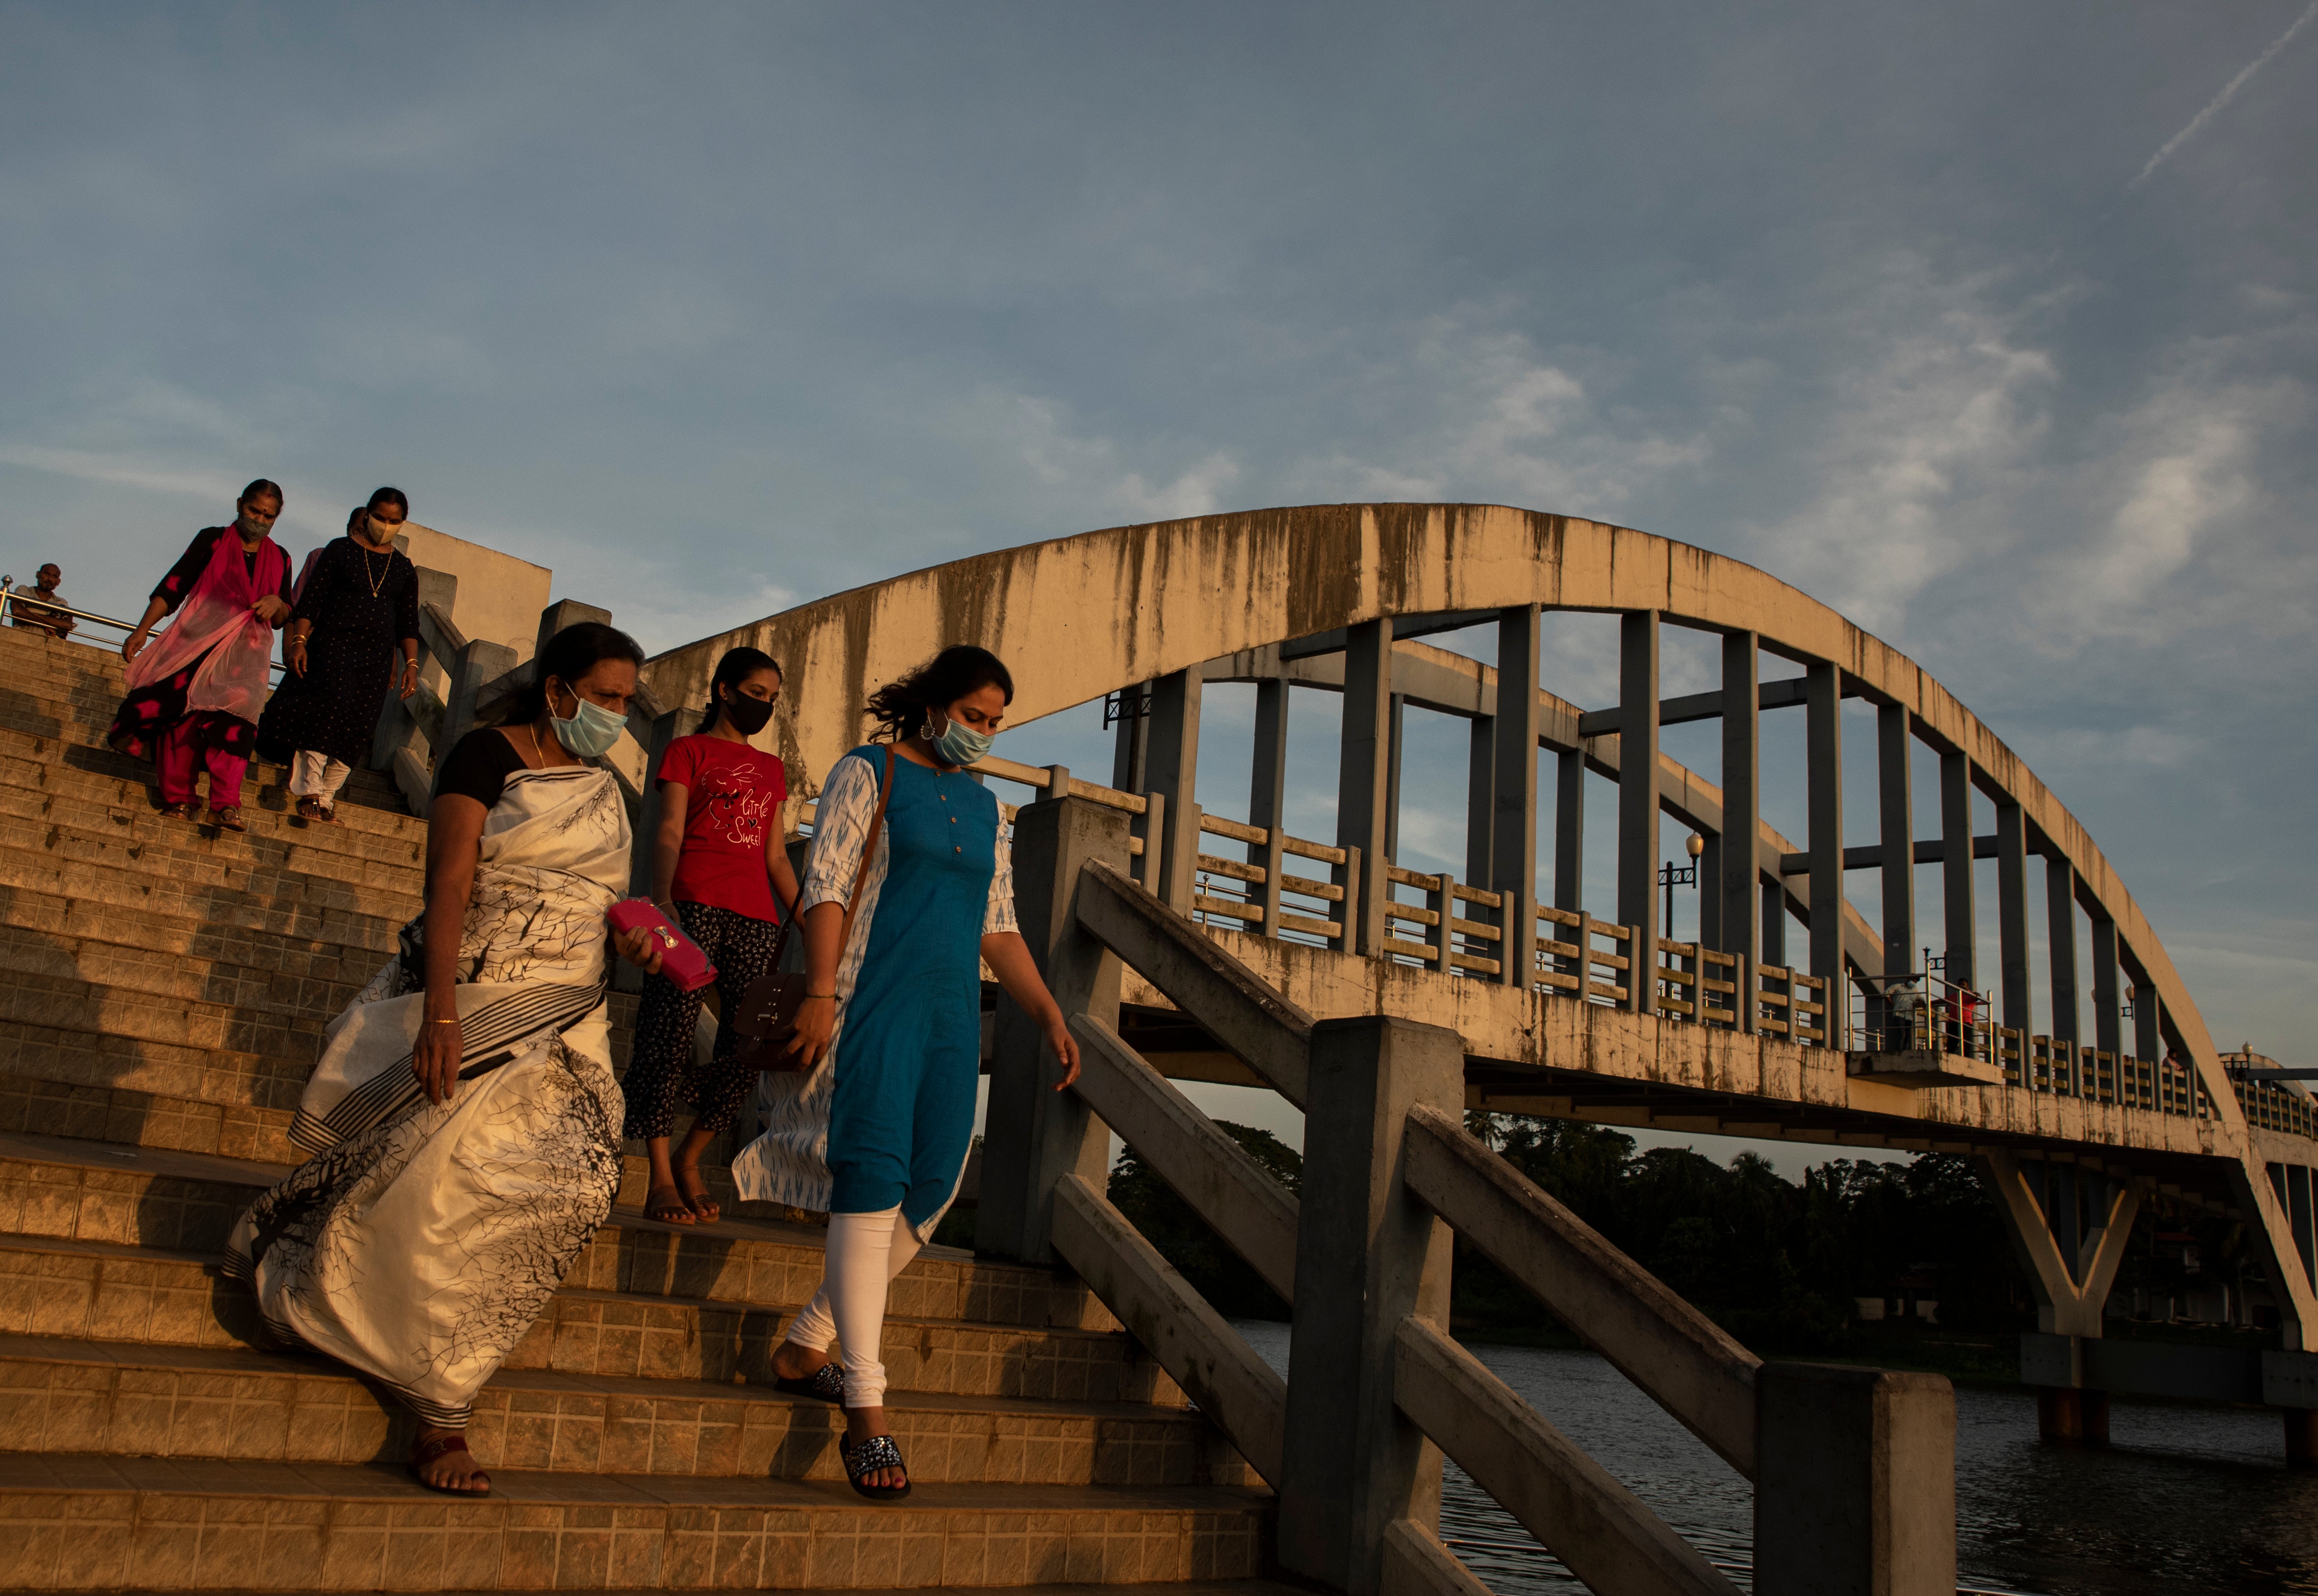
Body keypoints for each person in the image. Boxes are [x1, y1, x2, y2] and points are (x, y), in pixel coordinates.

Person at [223, 622, 668, 1496]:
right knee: (435, 1175)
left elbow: (604, 903)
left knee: (573, 1184)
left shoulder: (604, 792)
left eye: (626, 702)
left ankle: (403, 1344)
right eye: (606, 697)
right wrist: (442, 1011)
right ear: (557, 689)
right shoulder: (480, 755)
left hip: (568, 1011)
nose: (615, 717)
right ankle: (441, 1407)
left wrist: (636, 946)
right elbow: (451, 883)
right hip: (478, 989)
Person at [733, 644, 1081, 1501]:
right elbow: (825, 881)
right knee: (873, 1175)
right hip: (871, 997)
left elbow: (996, 923)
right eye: (972, 716)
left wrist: (1045, 1011)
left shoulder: (985, 803)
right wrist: (819, 990)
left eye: (995, 722)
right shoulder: (871, 769)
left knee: (931, 1184)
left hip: (951, 1012)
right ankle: (866, 1405)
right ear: (931, 707)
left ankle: (806, 1338)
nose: (982, 733)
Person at [623, 645, 802, 1226]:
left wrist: (812, 919)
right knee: (666, 1034)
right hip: (692, 904)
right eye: (756, 694)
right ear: (724, 689)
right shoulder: (687, 750)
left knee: (750, 1044)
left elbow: (775, 856)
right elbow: (669, 826)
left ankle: (691, 1155)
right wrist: (664, 901)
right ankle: (658, 1176)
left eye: (772, 699)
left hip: (756, 915)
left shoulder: (772, 770)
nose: (764, 706)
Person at [108, 480, 294, 829]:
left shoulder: (281, 558)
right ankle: (179, 799)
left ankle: (225, 804)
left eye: (268, 516)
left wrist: (278, 603)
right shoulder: (211, 539)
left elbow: (285, 615)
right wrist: (142, 630)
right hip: (195, 645)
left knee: (237, 728)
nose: (260, 519)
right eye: (254, 511)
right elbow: (174, 585)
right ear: (240, 504)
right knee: (182, 720)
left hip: (244, 659)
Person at [257, 487, 421, 822]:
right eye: (379, 518)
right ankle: (310, 792)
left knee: (356, 728)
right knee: (324, 718)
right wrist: (299, 641)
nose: (385, 525)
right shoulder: (340, 551)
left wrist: (411, 665)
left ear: (403, 523)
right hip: (332, 649)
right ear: (367, 515)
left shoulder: (404, 570)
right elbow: (311, 601)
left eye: (394, 521)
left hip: (374, 661)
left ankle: (329, 796)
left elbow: (406, 624)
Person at [9, 564, 74, 639]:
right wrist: (46, 625)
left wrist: (34, 614)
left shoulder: (60, 602)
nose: (50, 579)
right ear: (38, 575)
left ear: (58, 582)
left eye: (54, 577)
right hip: (22, 638)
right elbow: (17, 611)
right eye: (47, 574)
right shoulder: (25, 591)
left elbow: (68, 625)